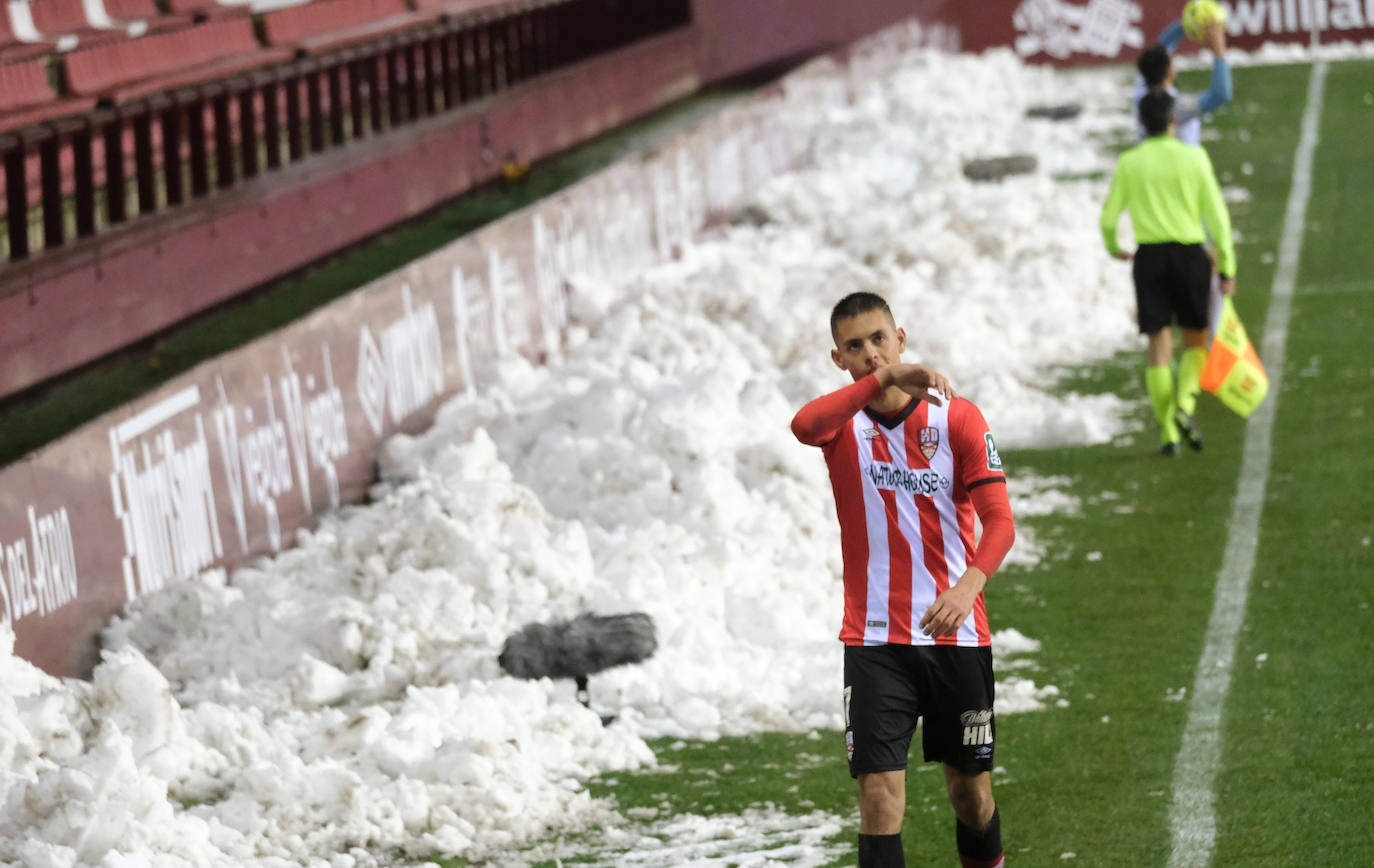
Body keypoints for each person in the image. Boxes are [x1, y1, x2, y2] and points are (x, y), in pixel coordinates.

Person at [790, 292, 1016, 868]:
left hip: (956, 637)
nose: (870, 353)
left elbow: (1001, 524)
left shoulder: (957, 417)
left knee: (970, 795)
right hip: (874, 641)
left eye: (879, 340)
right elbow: (802, 424)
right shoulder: (842, 426)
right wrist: (883, 380)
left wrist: (967, 589)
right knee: (878, 798)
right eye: (855, 346)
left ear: (901, 337)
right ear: (838, 358)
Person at [1100, 90, 1237, 456]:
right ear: (1173, 121)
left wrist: (1115, 246)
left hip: (1150, 260)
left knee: (1158, 344)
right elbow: (1218, 217)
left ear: (1142, 125)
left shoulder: (1130, 162)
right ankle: (1185, 406)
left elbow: (1108, 217)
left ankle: (1167, 434)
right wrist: (1227, 266)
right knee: (1196, 337)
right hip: (1190, 256)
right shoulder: (1195, 158)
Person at [1134, 19, 1232, 146]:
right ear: (1169, 74)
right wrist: (1219, 53)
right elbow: (1220, 96)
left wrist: (1188, 23)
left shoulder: (1140, 89)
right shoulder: (1176, 107)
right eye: (1172, 64)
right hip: (1181, 164)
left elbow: (1162, 48)